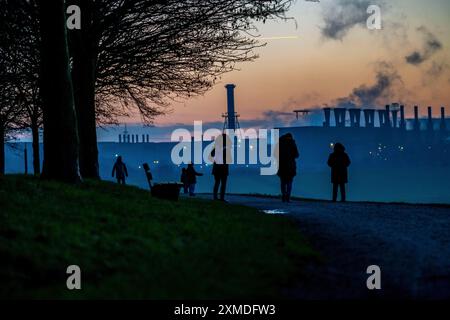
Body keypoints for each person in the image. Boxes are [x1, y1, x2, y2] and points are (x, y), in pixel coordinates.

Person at [276, 133, 299, 203]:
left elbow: (275, 154)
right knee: (289, 182)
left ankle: (284, 195)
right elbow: (297, 154)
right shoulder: (292, 143)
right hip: (290, 166)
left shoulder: (280, 143)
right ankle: (288, 197)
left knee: (283, 182)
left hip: (282, 165)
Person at [211, 133, 231, 202]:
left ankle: (215, 197)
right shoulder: (226, 147)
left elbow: (212, 154)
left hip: (217, 168)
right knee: (223, 184)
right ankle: (221, 198)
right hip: (223, 168)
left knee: (217, 182)